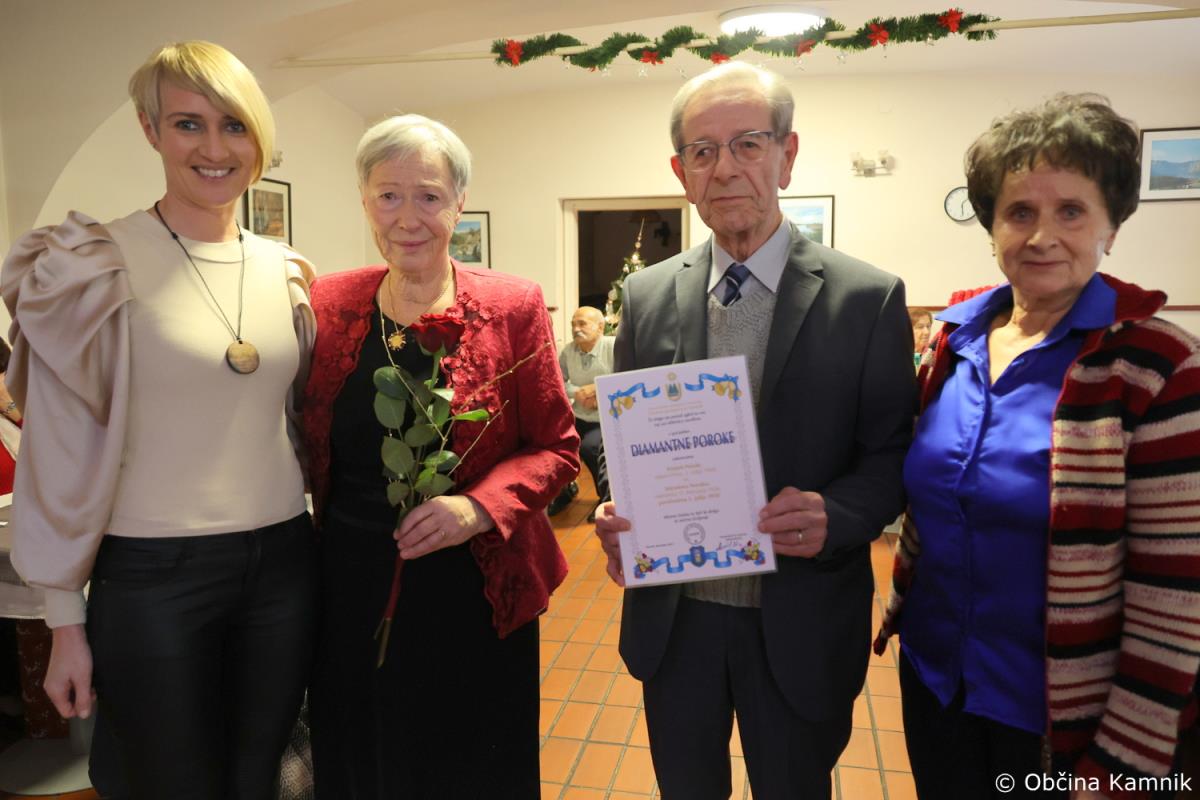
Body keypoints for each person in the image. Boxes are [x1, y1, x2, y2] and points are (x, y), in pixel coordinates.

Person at [0, 41, 317, 799]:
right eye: (187, 124)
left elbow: (294, 423)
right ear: (150, 130)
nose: (214, 149)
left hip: (284, 563)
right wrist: (63, 621)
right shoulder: (96, 264)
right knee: (167, 782)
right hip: (151, 578)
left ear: (259, 137)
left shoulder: (284, 270)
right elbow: (57, 448)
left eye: (234, 125)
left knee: (263, 776)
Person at [593, 62, 916, 798]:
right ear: (681, 173)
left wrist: (839, 515)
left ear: (786, 155)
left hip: (799, 618)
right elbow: (620, 434)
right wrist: (619, 505)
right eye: (703, 151)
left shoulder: (866, 298)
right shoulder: (644, 295)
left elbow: (892, 452)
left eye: (748, 143)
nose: (725, 167)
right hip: (676, 624)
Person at [874, 94, 1200, 800]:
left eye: (1071, 211)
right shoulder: (954, 341)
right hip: (936, 682)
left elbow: (1177, 597)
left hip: (1061, 719)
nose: (1042, 236)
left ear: (1113, 224)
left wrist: (1123, 765)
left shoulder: (1159, 366)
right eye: (1019, 212)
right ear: (992, 226)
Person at [301, 113, 578, 798]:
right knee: (362, 751)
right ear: (365, 201)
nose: (408, 217)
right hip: (352, 580)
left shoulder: (512, 304)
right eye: (388, 195)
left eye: (428, 195)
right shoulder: (328, 301)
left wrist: (478, 508)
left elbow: (557, 446)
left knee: (471, 759)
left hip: (475, 582)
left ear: (458, 202)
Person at [548, 305, 615, 518]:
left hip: (606, 417)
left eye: (582, 323)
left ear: (600, 327)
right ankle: (564, 492)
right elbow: (558, 380)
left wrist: (597, 389)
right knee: (556, 444)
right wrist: (577, 393)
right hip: (579, 415)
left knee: (590, 447)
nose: (576, 329)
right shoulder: (569, 351)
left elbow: (624, 377)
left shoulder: (612, 347)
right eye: (573, 324)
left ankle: (605, 498)